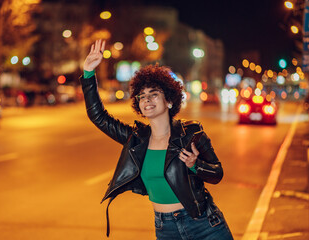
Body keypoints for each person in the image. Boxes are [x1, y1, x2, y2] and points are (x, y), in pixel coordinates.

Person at [80, 39, 234, 240]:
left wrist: (195, 165)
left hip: (204, 225)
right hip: (165, 229)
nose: (147, 100)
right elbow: (98, 117)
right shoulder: (136, 139)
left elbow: (217, 173)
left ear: (169, 100)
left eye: (154, 94)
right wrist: (88, 73)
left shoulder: (192, 135)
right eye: (142, 96)